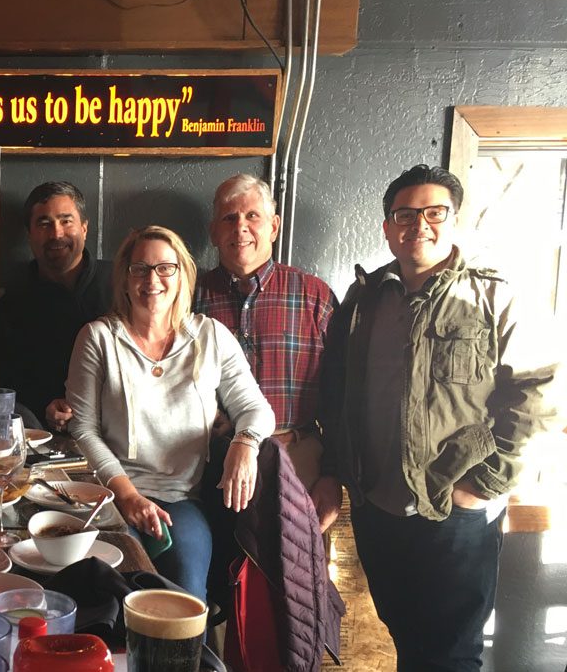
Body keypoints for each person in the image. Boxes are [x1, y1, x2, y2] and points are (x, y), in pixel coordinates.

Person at [320, 164, 558, 671]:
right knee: (405, 637)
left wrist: (486, 483)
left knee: (451, 653)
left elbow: (538, 390)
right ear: (387, 226)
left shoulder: (494, 295)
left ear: (454, 221)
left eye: (434, 213)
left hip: (456, 509)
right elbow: (337, 387)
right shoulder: (363, 301)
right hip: (377, 507)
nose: (419, 225)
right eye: (405, 214)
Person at [65, 225, 275, 600]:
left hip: (182, 498)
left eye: (165, 268)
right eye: (140, 268)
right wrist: (127, 497)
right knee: (118, 590)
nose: (152, 279)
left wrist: (246, 443)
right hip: (112, 497)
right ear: (125, 279)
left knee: (187, 595)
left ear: (182, 277)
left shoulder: (211, 337)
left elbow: (256, 409)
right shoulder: (97, 337)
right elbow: (83, 431)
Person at [193, 173, 340, 528]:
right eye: (229, 218)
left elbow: (342, 397)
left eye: (252, 217)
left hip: (297, 460)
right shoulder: (188, 295)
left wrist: (333, 475)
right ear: (214, 232)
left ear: (273, 226)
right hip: (209, 462)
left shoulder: (314, 296)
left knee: (296, 578)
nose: (240, 227)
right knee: (217, 577)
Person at [0, 181, 112, 429]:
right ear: (29, 234)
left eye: (66, 221)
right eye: (44, 224)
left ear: (85, 228)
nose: (56, 234)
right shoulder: (13, 304)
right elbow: (7, 385)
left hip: (118, 428)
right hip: (45, 435)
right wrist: (44, 405)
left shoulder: (121, 283)